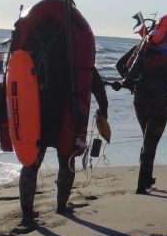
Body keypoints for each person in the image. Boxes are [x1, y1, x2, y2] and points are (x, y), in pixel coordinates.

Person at [116, 17, 167, 195]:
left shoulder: (142, 47)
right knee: (151, 141)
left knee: (147, 138)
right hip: (160, 98)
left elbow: (120, 65)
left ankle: (146, 179)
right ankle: (142, 185)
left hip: (140, 97)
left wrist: (131, 82)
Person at [19, 70, 107, 225]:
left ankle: (26, 214)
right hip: (68, 116)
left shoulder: (36, 48)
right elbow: (95, 82)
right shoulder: (74, 49)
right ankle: (61, 206)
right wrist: (103, 109)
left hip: (38, 117)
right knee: (66, 162)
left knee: (31, 164)